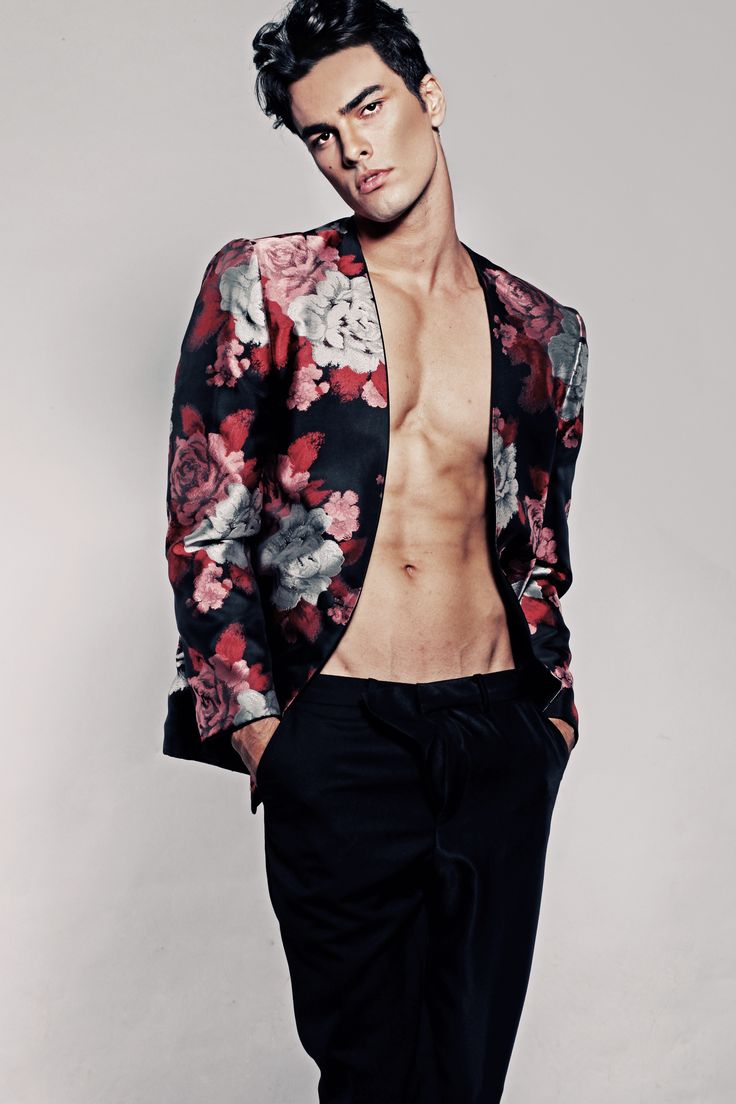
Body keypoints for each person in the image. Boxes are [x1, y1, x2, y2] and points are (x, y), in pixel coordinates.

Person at [163, 1, 588, 1099]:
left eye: (368, 107)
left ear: (427, 98)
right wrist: (264, 734)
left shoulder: (543, 330)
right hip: (340, 737)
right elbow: (207, 522)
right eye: (320, 132)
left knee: (467, 1078)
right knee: (368, 1078)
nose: (352, 149)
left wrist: (552, 717)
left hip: (497, 731)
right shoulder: (267, 283)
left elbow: (538, 546)